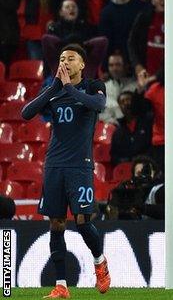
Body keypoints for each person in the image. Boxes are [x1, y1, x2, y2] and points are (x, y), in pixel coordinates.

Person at [21, 43, 111, 298]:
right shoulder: (54, 91)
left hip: (80, 165)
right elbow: (26, 113)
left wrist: (69, 88)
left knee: (83, 222)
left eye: (71, 58)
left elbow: (98, 106)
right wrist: (53, 88)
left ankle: (99, 262)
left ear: (82, 64)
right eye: (62, 58)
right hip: (54, 165)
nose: (65, 62)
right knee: (56, 223)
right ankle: (61, 285)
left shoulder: (94, 86)